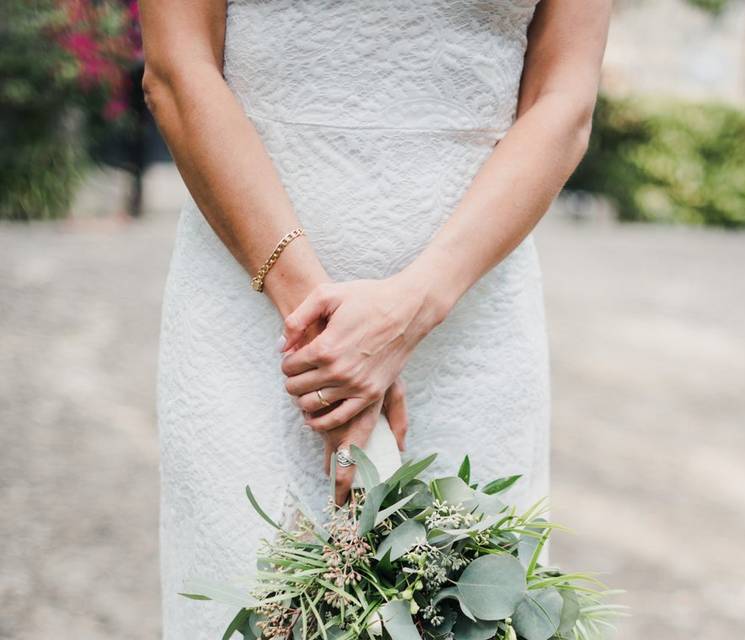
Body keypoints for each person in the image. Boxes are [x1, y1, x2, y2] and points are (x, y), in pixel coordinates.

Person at [141, 1, 610, 636]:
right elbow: (177, 66)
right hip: (252, 316)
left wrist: (408, 313)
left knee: (470, 606)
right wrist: (329, 345)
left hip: (469, 324)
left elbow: (564, 99)